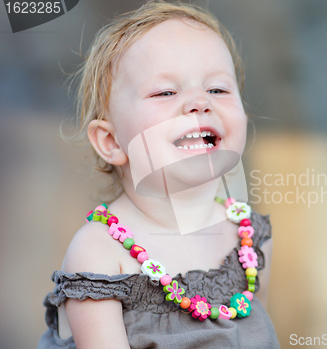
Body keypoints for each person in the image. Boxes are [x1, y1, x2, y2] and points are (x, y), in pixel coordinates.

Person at [38, 1, 279, 348]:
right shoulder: (100, 254)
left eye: (218, 90)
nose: (199, 102)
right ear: (111, 142)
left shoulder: (250, 241)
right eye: (165, 92)